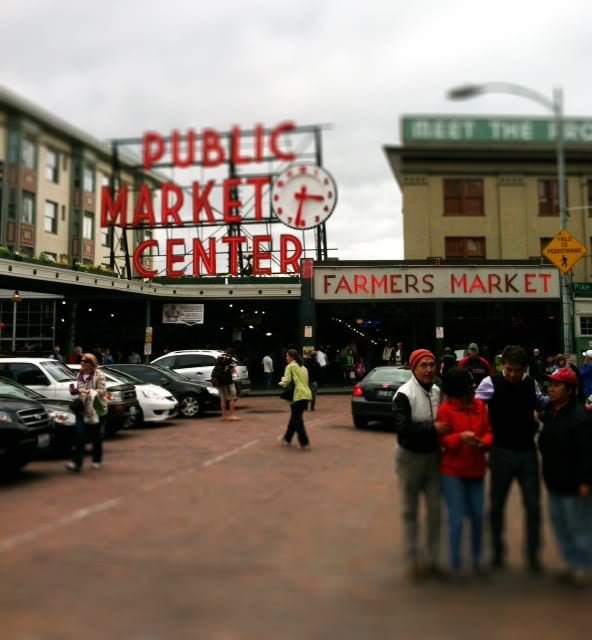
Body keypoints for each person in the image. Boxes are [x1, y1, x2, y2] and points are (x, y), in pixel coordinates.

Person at [475, 345, 547, 573]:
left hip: (527, 452)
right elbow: (475, 406)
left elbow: (542, 402)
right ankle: (496, 553)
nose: (513, 374)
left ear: (525, 368)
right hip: (501, 452)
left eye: (517, 370)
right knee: (496, 506)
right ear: (501, 365)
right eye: (508, 369)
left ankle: (533, 555)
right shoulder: (490, 383)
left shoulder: (530, 384)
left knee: (534, 506)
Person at [393, 348, 451, 580]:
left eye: (431, 364)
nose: (428, 369)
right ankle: (412, 560)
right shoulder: (404, 394)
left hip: (434, 457)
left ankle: (434, 561)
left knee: (436, 510)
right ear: (413, 368)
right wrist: (432, 428)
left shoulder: (437, 391)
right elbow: (403, 430)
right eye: (423, 365)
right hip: (410, 458)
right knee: (410, 510)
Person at [538, 367, 592, 588]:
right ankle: (571, 562)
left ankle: (582, 566)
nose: (550, 388)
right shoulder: (552, 413)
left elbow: (588, 453)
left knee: (579, 527)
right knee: (560, 525)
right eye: (549, 384)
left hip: (574, 484)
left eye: (556, 385)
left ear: (569, 390)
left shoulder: (580, 418)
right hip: (555, 482)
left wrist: (587, 481)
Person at [438, 368, 493, 576]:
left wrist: (483, 443)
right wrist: (460, 438)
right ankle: (455, 562)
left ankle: (478, 560)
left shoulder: (480, 406)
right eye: (469, 383)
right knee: (457, 518)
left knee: (479, 515)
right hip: (452, 472)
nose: (473, 386)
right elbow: (443, 440)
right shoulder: (445, 410)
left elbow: (489, 430)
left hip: (476, 469)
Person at [65, 353, 108, 473]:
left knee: (96, 437)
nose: (82, 363)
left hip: (97, 409)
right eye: (81, 361)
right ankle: (76, 463)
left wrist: (87, 391)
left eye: (85, 361)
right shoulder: (80, 374)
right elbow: (79, 390)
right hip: (82, 409)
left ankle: (97, 459)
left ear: (91, 363)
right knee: (79, 435)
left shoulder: (99, 374)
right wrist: (75, 391)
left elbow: (102, 391)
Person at [279, 349, 313, 449]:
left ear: (291, 357)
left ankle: (304, 442)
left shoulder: (290, 367)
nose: (286, 358)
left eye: (287, 356)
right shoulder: (303, 367)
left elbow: (286, 381)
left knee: (297, 419)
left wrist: (281, 382)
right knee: (295, 417)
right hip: (306, 394)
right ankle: (287, 438)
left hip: (297, 395)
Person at [211, 353, 240, 421]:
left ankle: (224, 416)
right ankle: (232, 415)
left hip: (220, 384)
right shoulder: (228, 365)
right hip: (228, 383)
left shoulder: (217, 365)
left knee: (222, 400)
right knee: (232, 398)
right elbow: (234, 369)